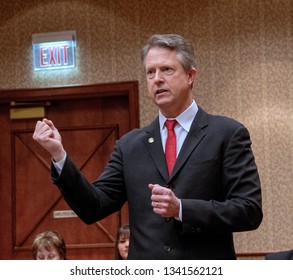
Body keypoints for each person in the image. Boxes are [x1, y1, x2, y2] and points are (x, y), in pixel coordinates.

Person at [32, 33, 263, 260]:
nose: (157, 79)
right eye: (150, 72)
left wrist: (182, 209)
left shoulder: (227, 133)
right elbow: (94, 207)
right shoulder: (130, 145)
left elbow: (249, 210)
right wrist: (58, 154)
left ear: (191, 75)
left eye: (167, 70)